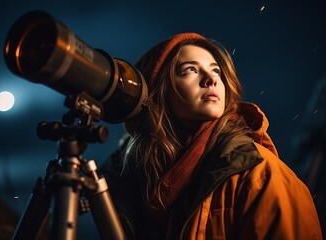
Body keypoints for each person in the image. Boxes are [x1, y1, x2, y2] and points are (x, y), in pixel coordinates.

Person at [100, 32, 323, 239]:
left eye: (216, 70)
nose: (211, 78)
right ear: (158, 92)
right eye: (190, 70)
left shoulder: (259, 175)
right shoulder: (129, 183)